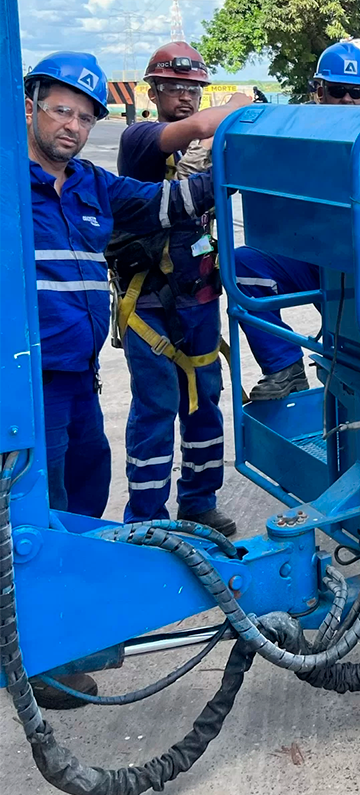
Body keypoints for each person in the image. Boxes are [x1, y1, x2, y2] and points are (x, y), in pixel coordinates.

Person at [25, 51, 217, 708]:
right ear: (30, 106)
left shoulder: (91, 185)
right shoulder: (6, 187)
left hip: (79, 379)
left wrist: (236, 158)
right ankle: (39, 657)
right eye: (60, 109)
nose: (71, 125)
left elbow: (171, 202)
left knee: (81, 499)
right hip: (31, 387)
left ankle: (70, 626)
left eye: (82, 115)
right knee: (34, 515)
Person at [115, 43, 251, 535]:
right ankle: (147, 519)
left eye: (194, 89)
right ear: (153, 91)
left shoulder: (201, 159)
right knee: (155, 407)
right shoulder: (139, 138)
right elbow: (200, 128)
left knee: (204, 401)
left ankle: (198, 501)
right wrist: (239, 101)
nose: (186, 98)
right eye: (174, 88)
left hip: (197, 298)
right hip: (147, 303)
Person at [235, 41, 360, 398]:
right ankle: (285, 367)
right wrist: (358, 143)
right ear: (319, 91)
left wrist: (337, 142)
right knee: (242, 266)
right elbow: (264, 151)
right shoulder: (298, 121)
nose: (348, 102)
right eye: (338, 92)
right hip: (313, 253)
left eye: (356, 93)